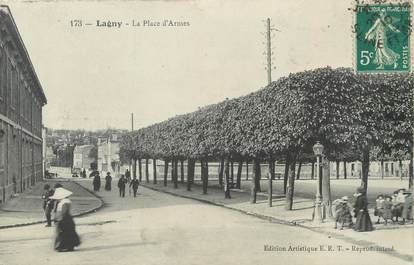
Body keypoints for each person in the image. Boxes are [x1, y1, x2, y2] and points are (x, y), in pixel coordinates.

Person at [50, 187, 81, 252]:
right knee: (68, 233)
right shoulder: (63, 202)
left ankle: (62, 247)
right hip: (66, 219)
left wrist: (59, 220)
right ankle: (69, 246)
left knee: (64, 233)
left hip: (64, 220)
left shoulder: (65, 202)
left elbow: (64, 212)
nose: (57, 199)